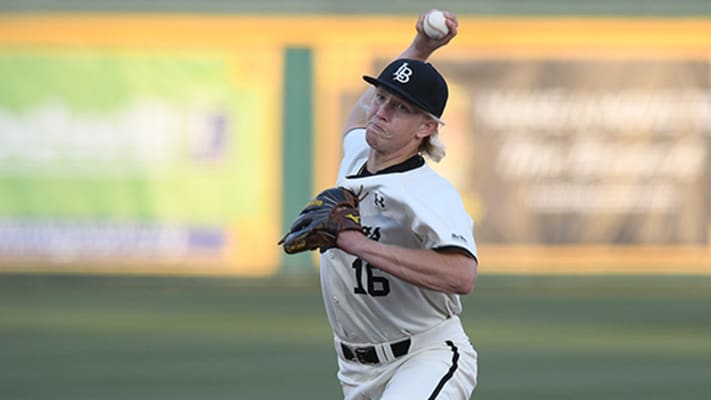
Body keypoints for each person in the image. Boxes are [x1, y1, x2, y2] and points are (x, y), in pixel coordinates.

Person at [320, 10, 479, 400]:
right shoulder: (358, 156)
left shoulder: (427, 193)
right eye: (381, 98)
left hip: (426, 356)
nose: (382, 113)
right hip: (356, 372)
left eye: (401, 108)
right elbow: (359, 115)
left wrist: (357, 244)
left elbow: (462, 275)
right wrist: (421, 48)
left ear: (427, 128)